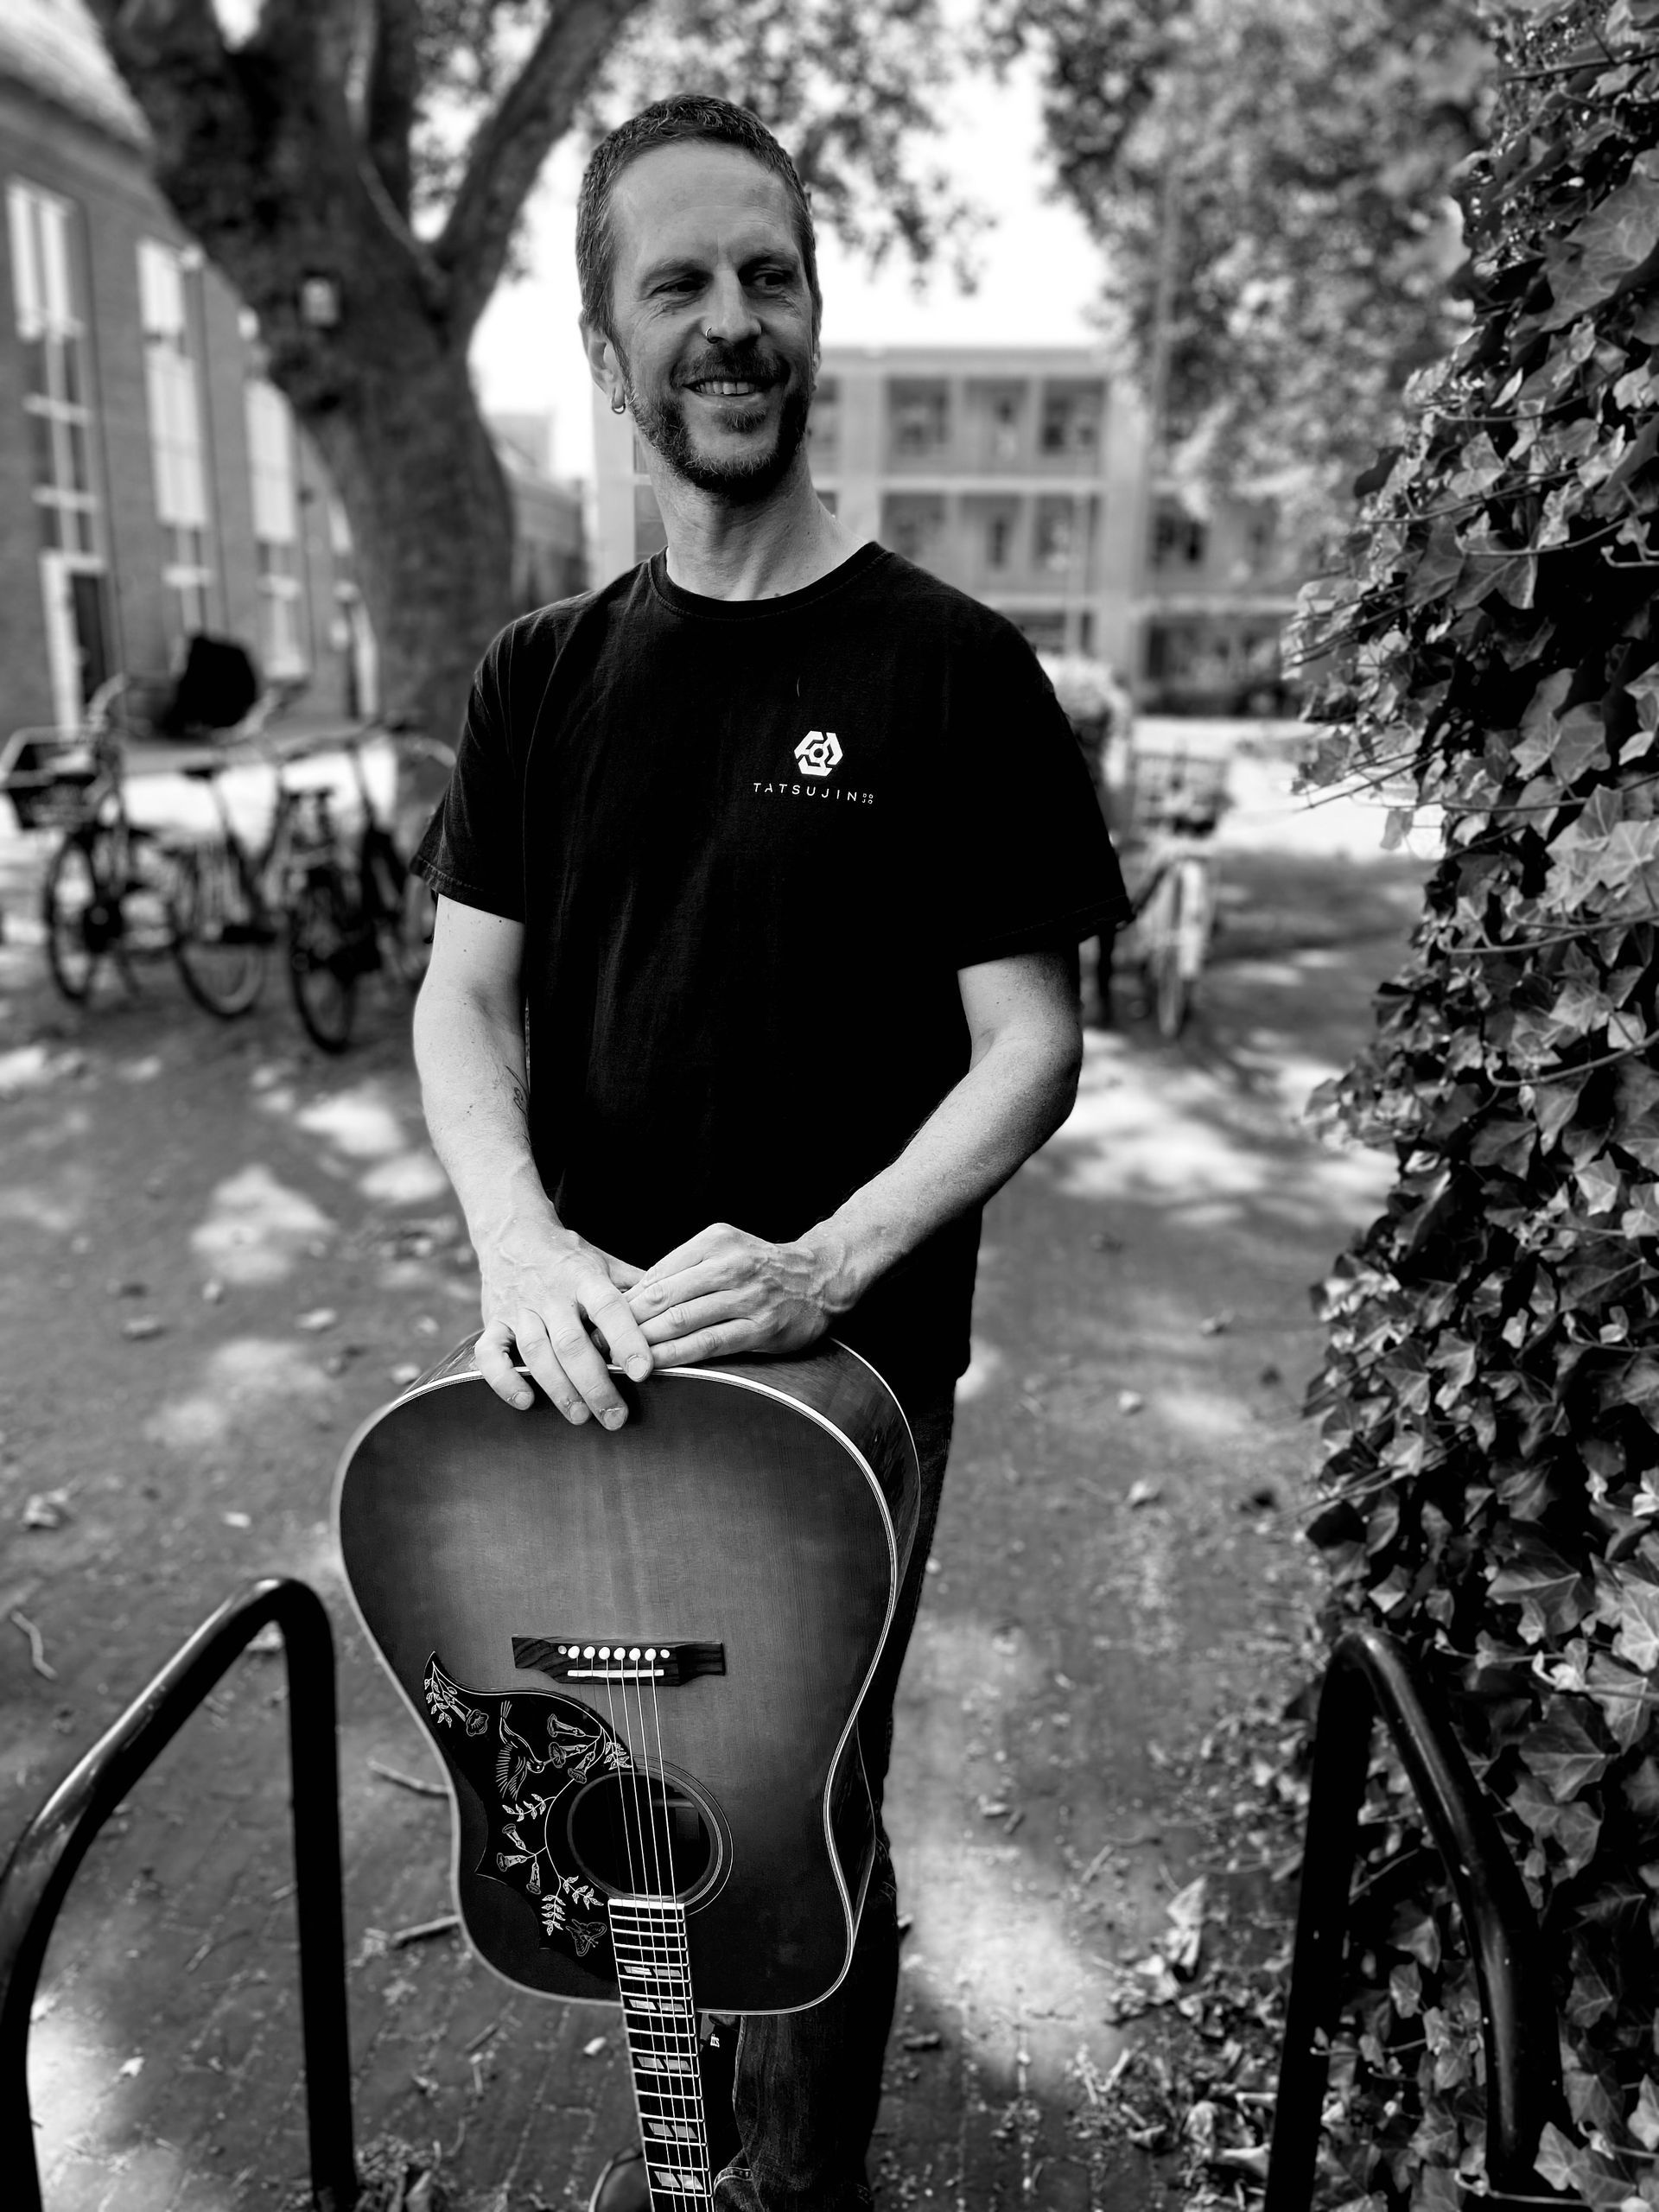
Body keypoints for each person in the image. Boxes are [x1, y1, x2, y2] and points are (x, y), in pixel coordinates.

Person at [408, 92, 1130, 2212]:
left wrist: (828, 1262)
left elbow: (1030, 1043)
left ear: (813, 316)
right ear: (605, 347)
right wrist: (518, 1239)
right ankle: (682, 2143)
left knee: (803, 1801)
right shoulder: (540, 677)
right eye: (681, 284)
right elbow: (461, 1001)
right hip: (585, 1363)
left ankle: (801, 2181)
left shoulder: (950, 669)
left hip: (840, 1379)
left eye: (769, 277)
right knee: (614, 1788)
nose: (733, 321)